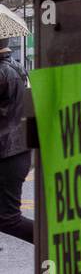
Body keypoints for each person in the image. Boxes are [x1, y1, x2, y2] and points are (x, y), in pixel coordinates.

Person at [0, 41, 31, 244]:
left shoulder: (2, 73)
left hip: (7, 152)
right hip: (17, 149)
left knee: (8, 219)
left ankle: (53, 243)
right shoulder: (18, 67)